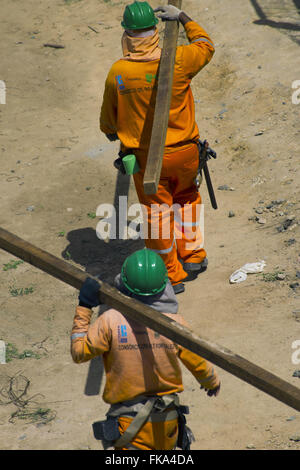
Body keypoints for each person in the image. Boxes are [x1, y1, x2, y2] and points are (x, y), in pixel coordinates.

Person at [100, 2, 215, 294]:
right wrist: (184, 18)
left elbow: (108, 122)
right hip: (187, 153)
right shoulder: (179, 59)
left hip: (148, 160)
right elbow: (206, 45)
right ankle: (193, 257)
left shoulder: (119, 72)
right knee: (188, 199)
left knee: (157, 214)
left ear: (127, 34)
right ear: (156, 29)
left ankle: (171, 274)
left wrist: (116, 133)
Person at [71, 248, 221, 450]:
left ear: (122, 282)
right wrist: (211, 382)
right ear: (164, 286)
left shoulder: (110, 321)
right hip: (167, 423)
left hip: (128, 426)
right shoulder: (175, 324)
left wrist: (84, 306)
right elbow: (198, 361)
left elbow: (79, 353)